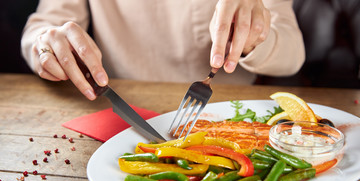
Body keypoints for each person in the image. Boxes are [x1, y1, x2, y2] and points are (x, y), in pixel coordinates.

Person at [21, 0, 305, 100]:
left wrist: (254, 37)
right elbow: (44, 25)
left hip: (224, 107)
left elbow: (292, 53)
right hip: (122, 106)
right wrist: (45, 45)